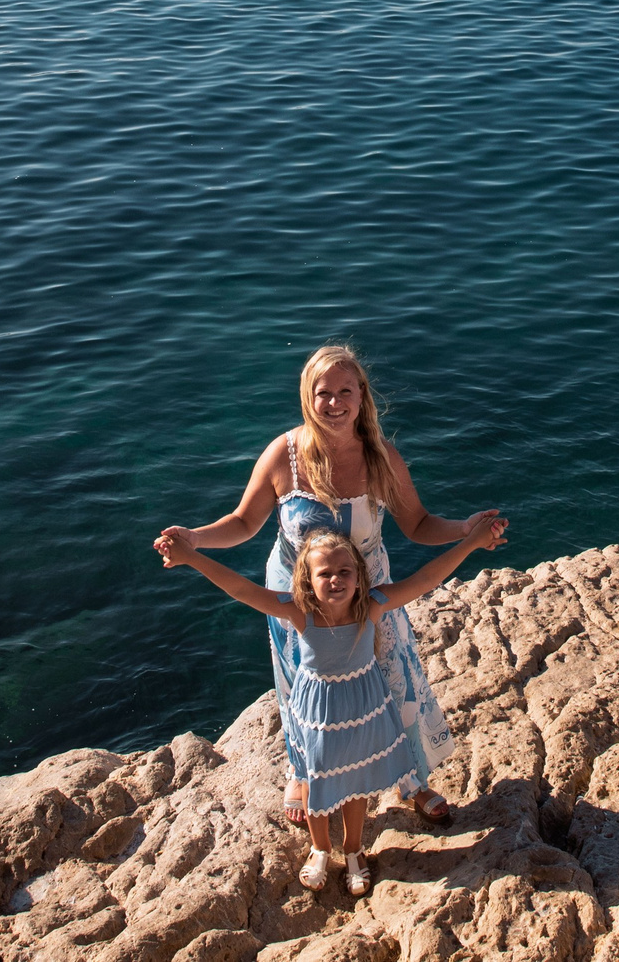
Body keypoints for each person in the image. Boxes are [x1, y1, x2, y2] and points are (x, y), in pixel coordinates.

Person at [158, 344, 506, 826]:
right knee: (303, 684)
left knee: (390, 675)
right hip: (298, 592)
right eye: (324, 393)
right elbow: (243, 522)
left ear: (362, 395)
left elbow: (419, 524)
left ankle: (412, 777)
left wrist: (465, 530)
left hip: (367, 588)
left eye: (346, 391)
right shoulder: (284, 455)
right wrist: (194, 539)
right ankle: (303, 772)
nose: (335, 403)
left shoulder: (381, 457)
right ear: (308, 396)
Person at [154, 519, 502, 893]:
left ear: (359, 577)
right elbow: (240, 588)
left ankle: (353, 849)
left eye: (344, 571)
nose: (335, 579)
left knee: (357, 780)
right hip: (317, 714)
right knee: (313, 778)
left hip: (364, 709)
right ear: (307, 580)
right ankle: (320, 848)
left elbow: (426, 578)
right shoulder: (298, 611)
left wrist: (472, 542)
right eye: (324, 573)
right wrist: (191, 556)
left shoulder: (371, 605)